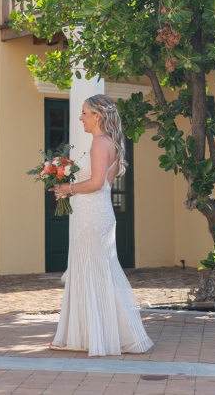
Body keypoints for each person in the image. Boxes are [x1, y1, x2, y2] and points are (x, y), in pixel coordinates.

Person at [49, 94, 154, 356]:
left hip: (92, 218)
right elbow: (103, 183)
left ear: (98, 115)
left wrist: (68, 187)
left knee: (92, 271)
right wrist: (72, 191)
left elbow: (96, 183)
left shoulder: (99, 143)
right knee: (97, 272)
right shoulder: (112, 144)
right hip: (97, 214)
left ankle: (97, 337)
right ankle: (96, 335)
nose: (81, 117)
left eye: (85, 112)